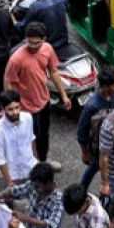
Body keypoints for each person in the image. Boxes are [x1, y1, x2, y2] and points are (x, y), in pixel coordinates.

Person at [5, 22, 71, 169]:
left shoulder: (47, 49)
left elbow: (53, 71)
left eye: (37, 43)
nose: (33, 46)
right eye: (30, 42)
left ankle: (43, 161)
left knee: (44, 134)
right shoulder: (16, 59)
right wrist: (11, 107)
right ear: (25, 39)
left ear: (44, 40)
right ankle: (34, 166)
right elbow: (8, 81)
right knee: (29, 138)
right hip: (26, 107)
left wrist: (64, 95)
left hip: (44, 100)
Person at [76, 67, 114, 190]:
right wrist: (85, 152)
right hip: (98, 146)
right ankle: (81, 190)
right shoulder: (92, 105)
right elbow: (81, 132)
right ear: (105, 86)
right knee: (95, 166)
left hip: (113, 142)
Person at [0, 90, 37, 187]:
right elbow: (0, 160)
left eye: (17, 107)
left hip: (30, 168)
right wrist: (9, 182)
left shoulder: (28, 118)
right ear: (3, 109)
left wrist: (36, 161)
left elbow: (31, 139)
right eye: (10, 109)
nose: (15, 112)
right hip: (13, 176)